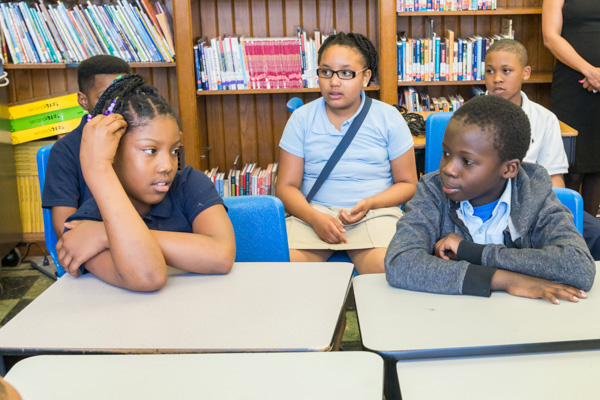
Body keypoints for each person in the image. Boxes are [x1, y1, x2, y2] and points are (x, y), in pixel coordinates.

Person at [384, 95, 595, 304]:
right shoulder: (432, 190)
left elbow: (578, 267)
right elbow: (399, 262)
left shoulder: (533, 191)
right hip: (448, 318)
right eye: (446, 153)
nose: (448, 169)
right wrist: (506, 280)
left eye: (467, 161)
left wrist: (472, 252)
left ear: (509, 168)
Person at [55, 74, 236, 291]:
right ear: (113, 153)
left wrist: (104, 234)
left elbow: (221, 256)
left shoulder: (189, 184)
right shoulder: (84, 225)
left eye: (174, 151)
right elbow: (148, 277)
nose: (167, 165)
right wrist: (98, 169)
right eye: (150, 150)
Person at [276, 32, 418, 274]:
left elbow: (407, 183)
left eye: (346, 73)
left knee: (388, 271)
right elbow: (286, 186)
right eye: (326, 71)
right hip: (313, 214)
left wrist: (371, 203)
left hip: (374, 214)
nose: (334, 82)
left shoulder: (388, 118)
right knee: (285, 272)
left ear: (366, 77)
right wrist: (313, 218)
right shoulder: (301, 118)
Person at [484, 38, 600, 260]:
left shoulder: (545, 119)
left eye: (506, 71)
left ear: (526, 73)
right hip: (487, 203)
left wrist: (548, 214)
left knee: (595, 233)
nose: (497, 78)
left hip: (535, 203)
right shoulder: (468, 117)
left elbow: (554, 179)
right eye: (490, 71)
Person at [42, 55, 132, 239]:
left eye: (125, 93)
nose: (118, 103)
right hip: (94, 248)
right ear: (83, 101)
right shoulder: (64, 152)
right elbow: (64, 229)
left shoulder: (142, 138)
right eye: (106, 96)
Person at [542, 0, 600, 217]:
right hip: (572, 83)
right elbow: (550, 37)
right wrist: (590, 72)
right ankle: (564, 234)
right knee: (570, 168)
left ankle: (591, 240)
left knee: (597, 170)